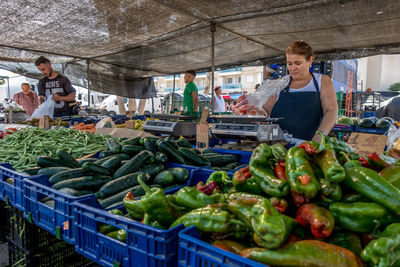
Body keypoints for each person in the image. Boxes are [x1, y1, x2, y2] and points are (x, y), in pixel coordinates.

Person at [237, 40, 338, 141]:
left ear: (310, 61)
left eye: (297, 63)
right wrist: (255, 112)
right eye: (290, 64)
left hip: (308, 147)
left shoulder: (322, 81)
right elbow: (266, 110)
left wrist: (320, 135)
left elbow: (331, 110)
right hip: (279, 145)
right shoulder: (281, 83)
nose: (293, 68)